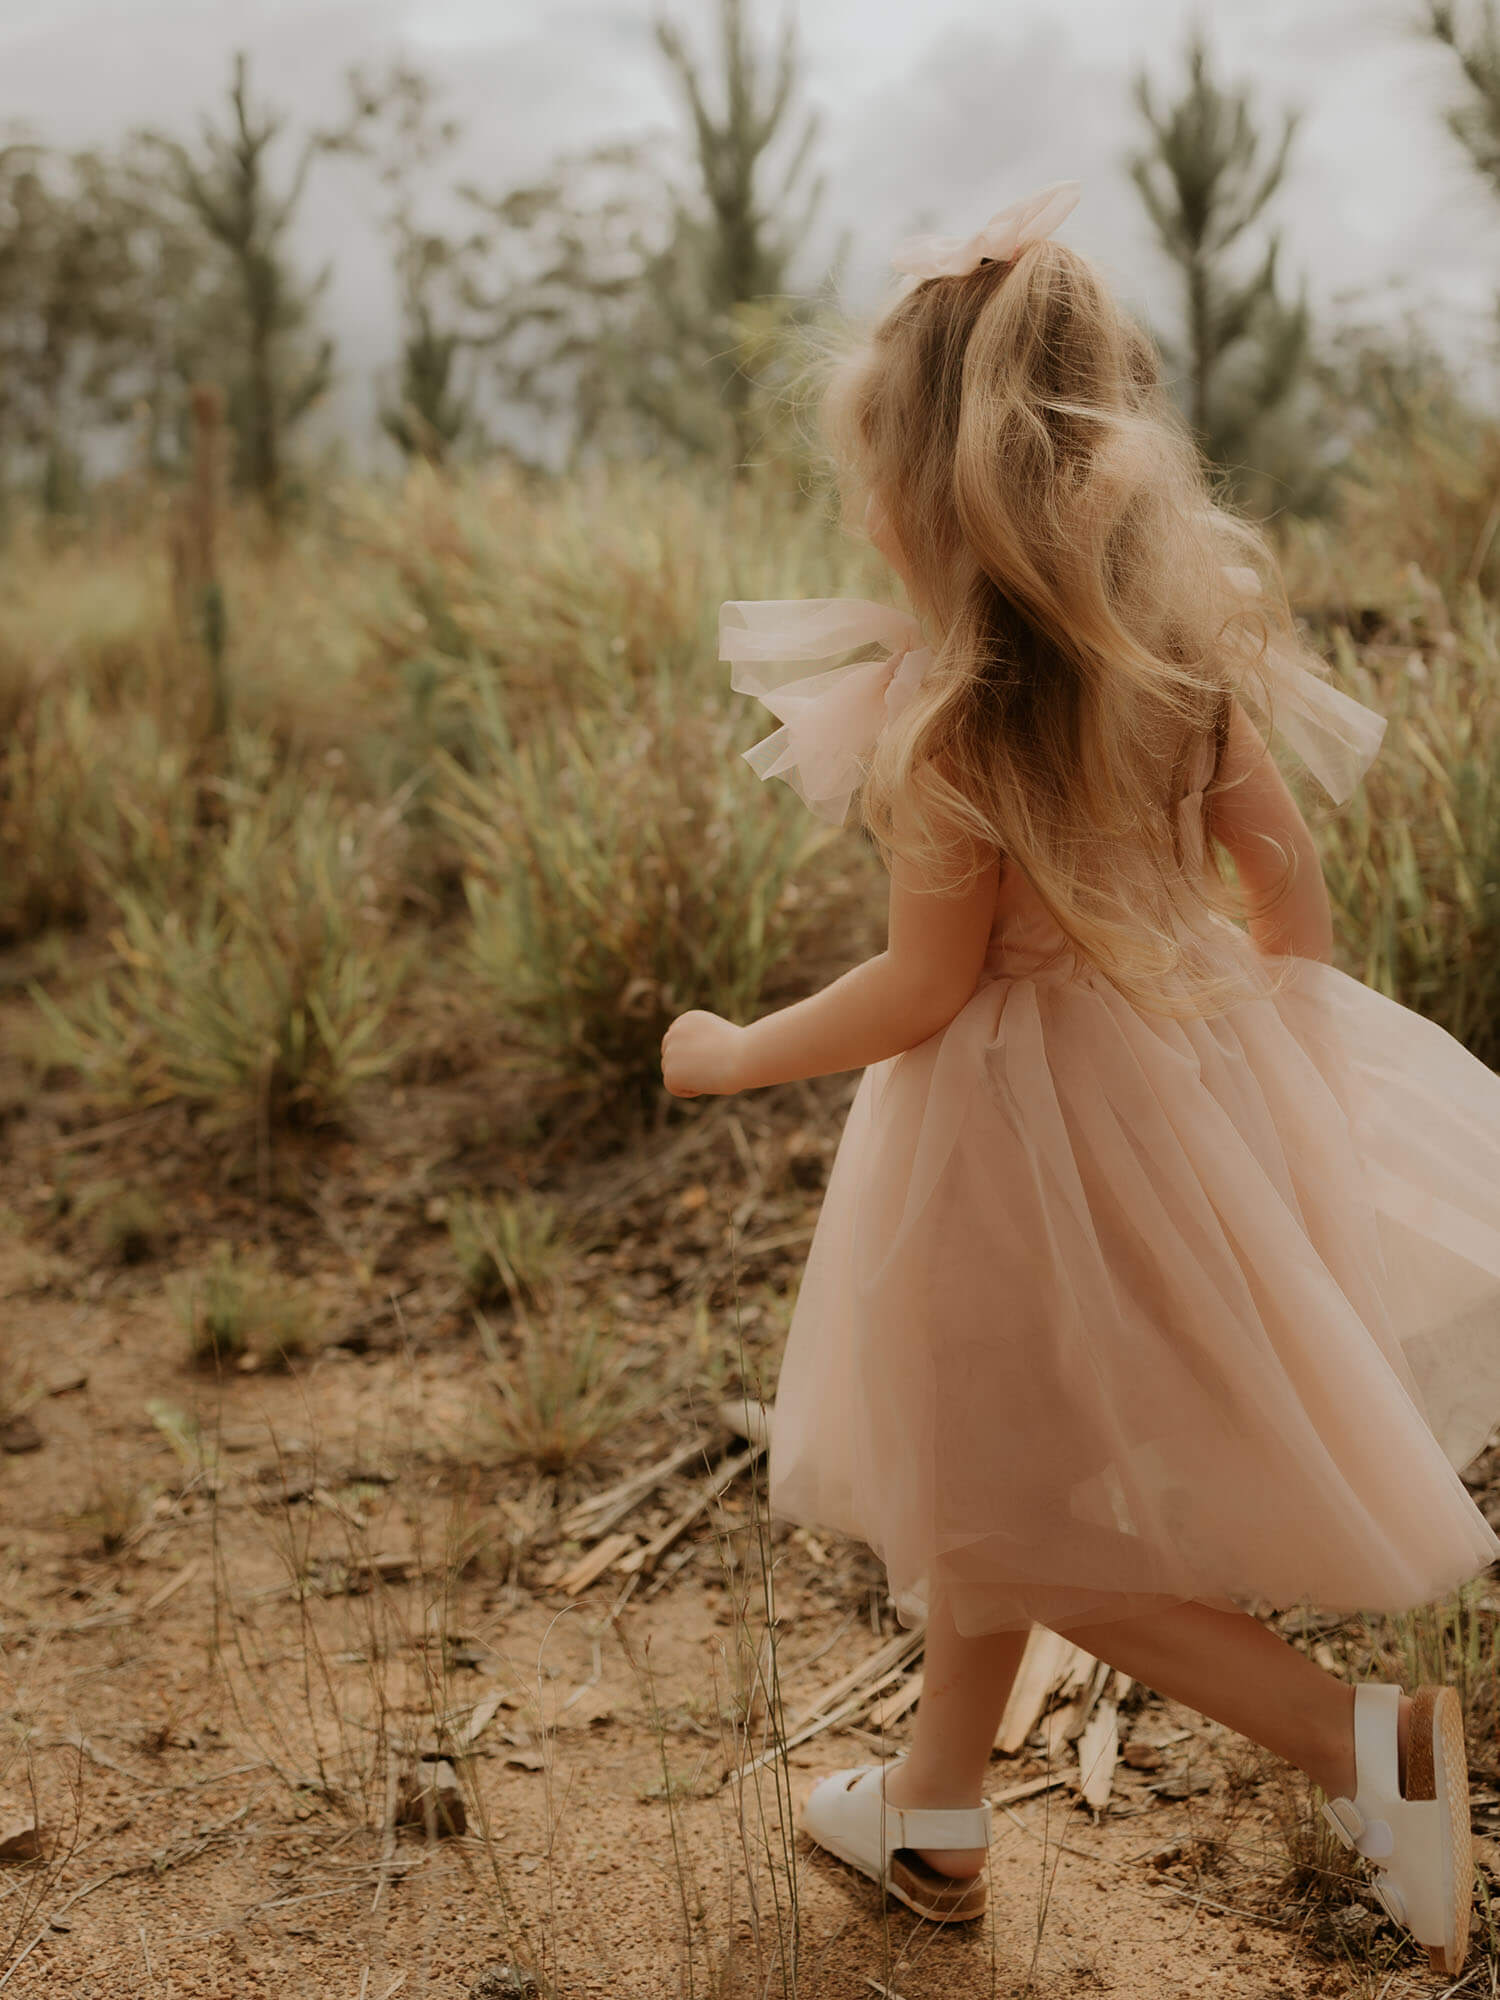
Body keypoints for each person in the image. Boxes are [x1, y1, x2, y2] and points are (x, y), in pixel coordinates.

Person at [658, 182, 1500, 1979]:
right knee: (1001, 1469)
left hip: (997, 1137)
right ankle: (938, 1812)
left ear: (918, 491)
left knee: (1003, 1498)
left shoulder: (947, 707)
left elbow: (919, 984)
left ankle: (1365, 1742)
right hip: (1180, 1087)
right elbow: (1287, 891)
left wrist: (739, 1051)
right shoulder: (1181, 660)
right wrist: (1266, 1058)